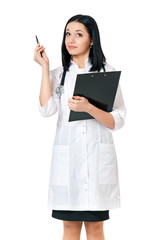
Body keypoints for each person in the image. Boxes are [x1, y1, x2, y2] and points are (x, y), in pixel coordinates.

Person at [34, 14, 126, 240]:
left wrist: (89, 108)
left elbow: (119, 119)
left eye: (78, 34)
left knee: (95, 229)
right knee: (70, 227)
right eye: (67, 34)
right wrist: (45, 69)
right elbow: (46, 110)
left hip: (96, 164)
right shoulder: (59, 74)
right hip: (68, 166)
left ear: (92, 40)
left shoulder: (106, 72)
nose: (71, 40)